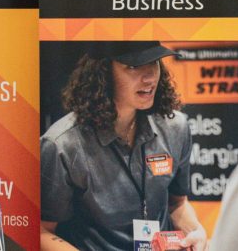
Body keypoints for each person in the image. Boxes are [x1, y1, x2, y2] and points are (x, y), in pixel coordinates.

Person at [40, 41, 207, 251]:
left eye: (154, 62)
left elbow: (178, 204)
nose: (150, 77)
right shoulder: (62, 144)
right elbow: (42, 231)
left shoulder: (175, 127)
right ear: (103, 74)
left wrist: (195, 232)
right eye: (134, 66)